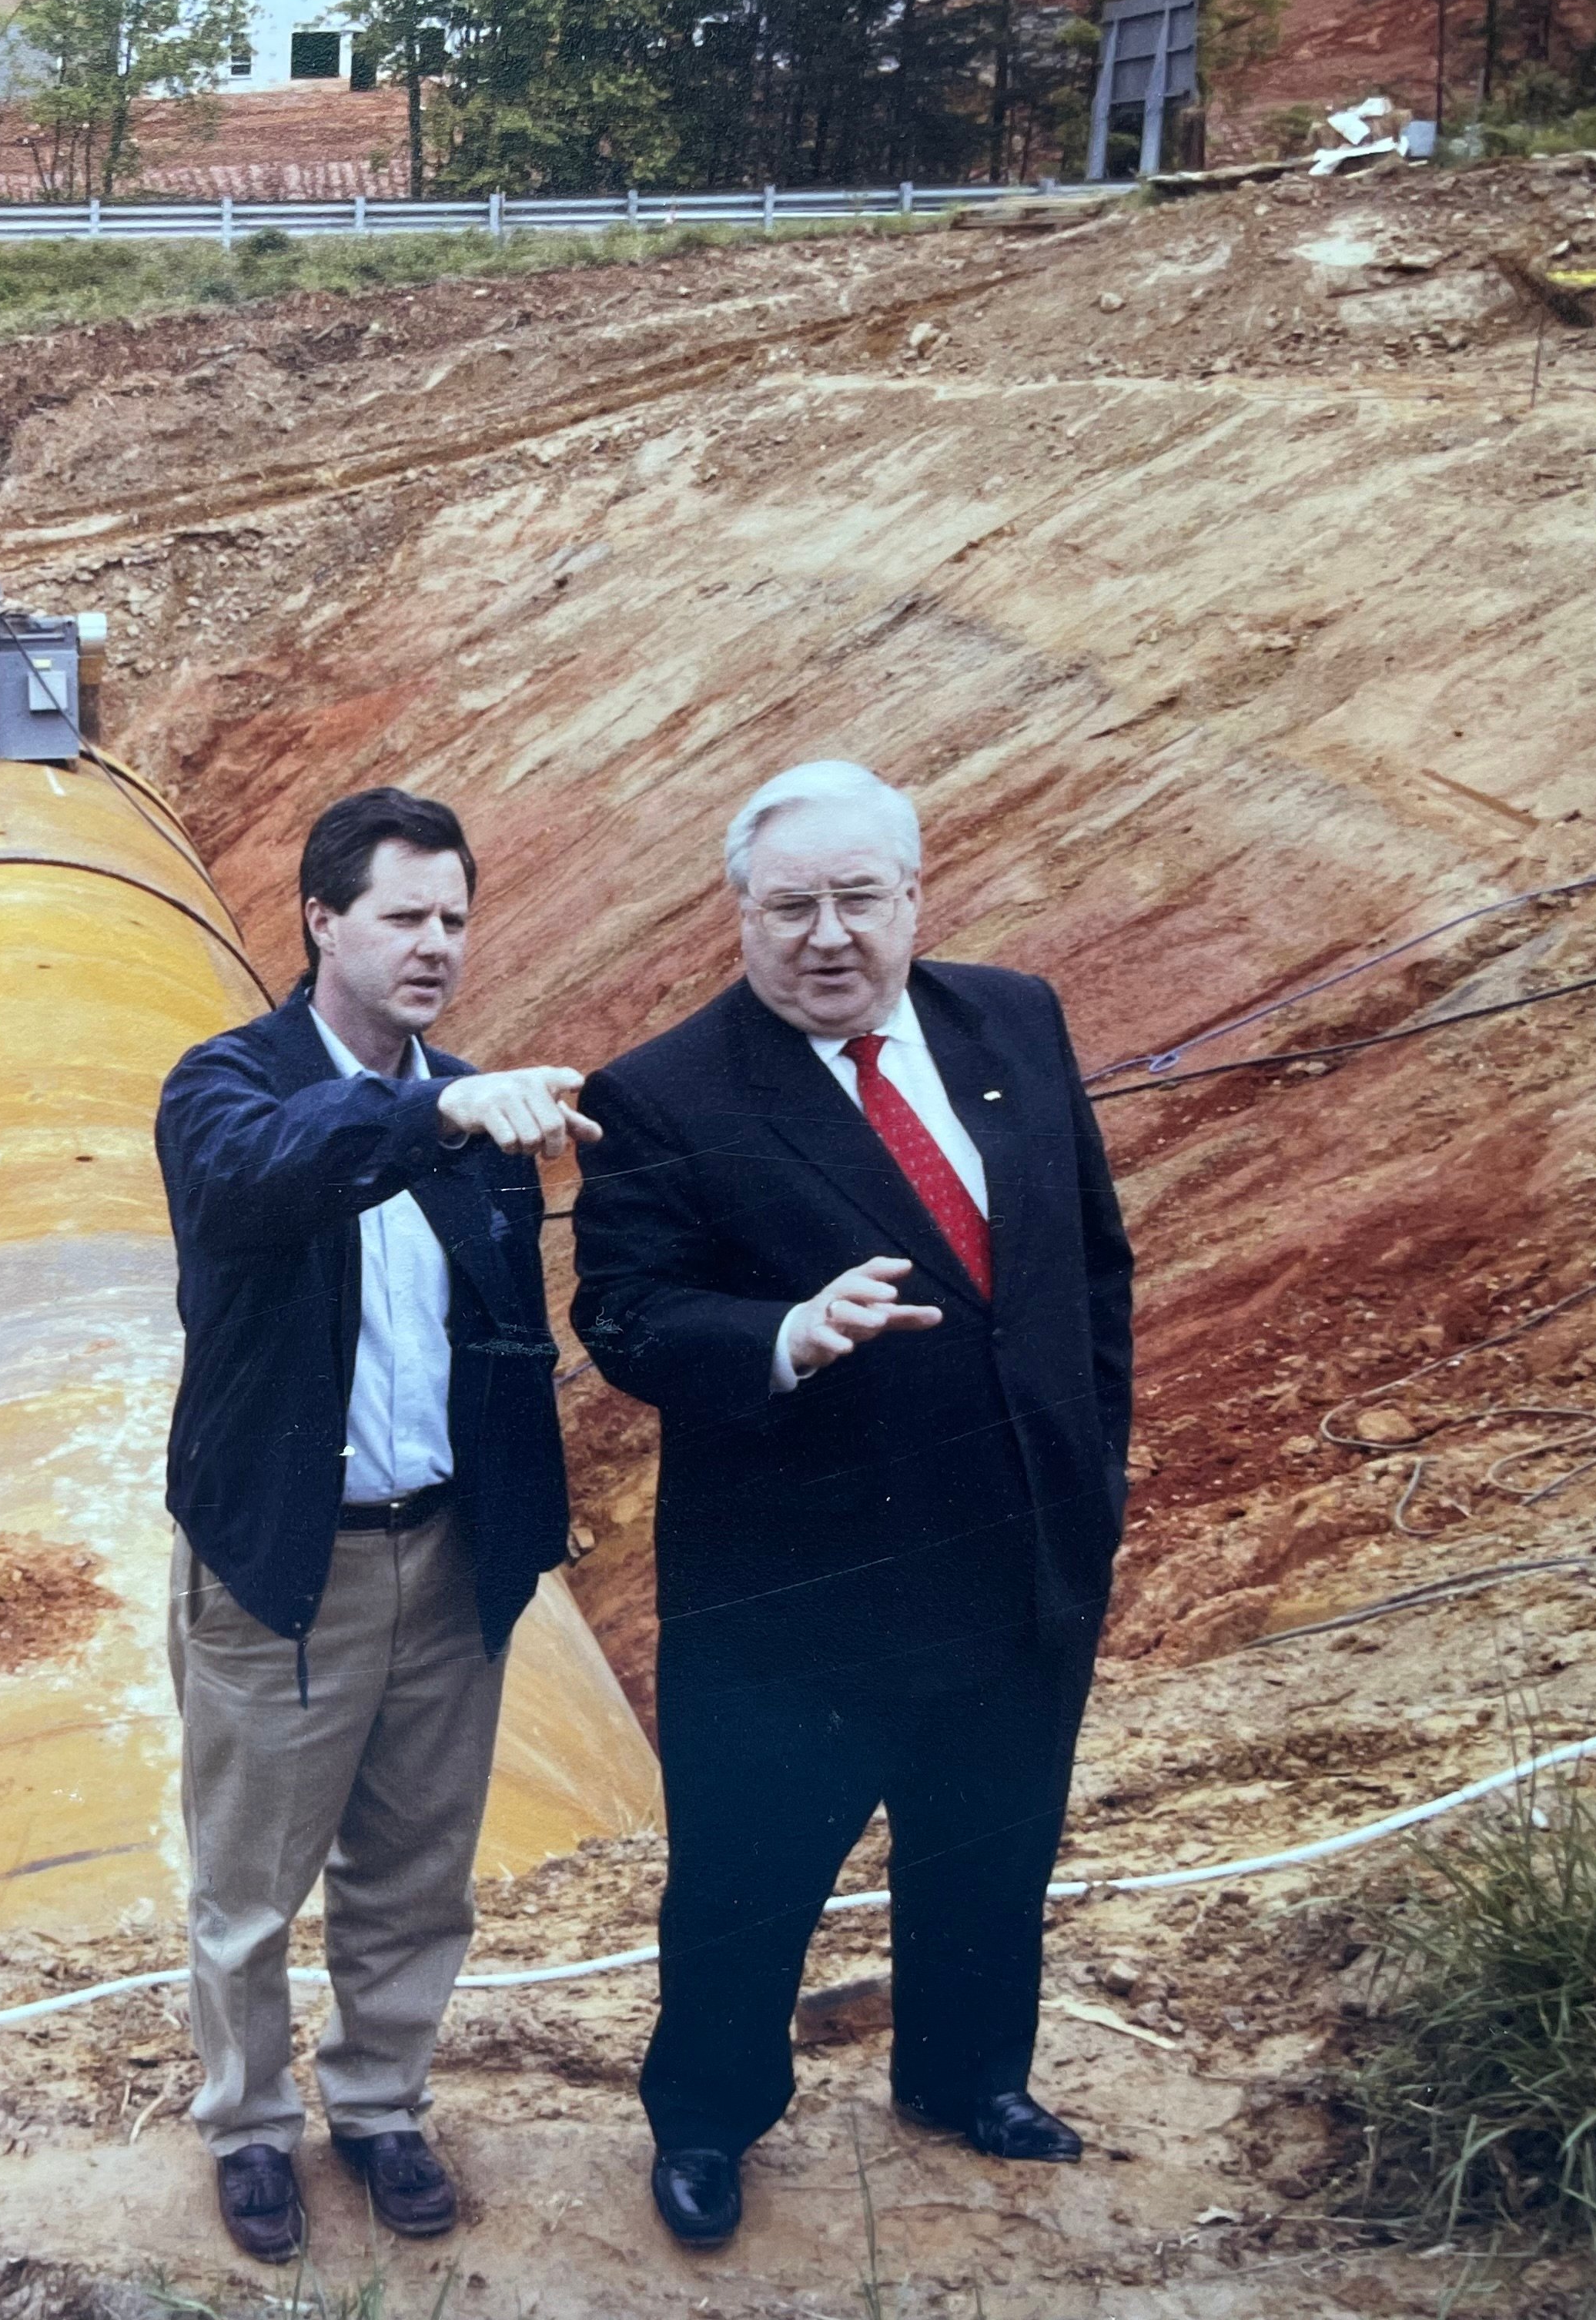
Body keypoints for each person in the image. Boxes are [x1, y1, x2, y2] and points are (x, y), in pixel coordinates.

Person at [569, 759, 1133, 2251]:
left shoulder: (1013, 1020)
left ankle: (965, 2080)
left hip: (1014, 1563)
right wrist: (776, 1337)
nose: (829, 935)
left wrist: (1092, 1479)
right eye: (792, 906)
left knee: (993, 1844)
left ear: (912, 900)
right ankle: (706, 2122)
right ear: (741, 914)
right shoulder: (662, 1096)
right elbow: (621, 1316)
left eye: (858, 900)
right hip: (797, 1606)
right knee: (748, 1890)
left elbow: (1092, 1272)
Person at [155, 787, 602, 2263]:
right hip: (289, 1565)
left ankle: (382, 2104)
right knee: (249, 1887)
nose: (435, 947)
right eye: (404, 916)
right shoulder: (225, 1085)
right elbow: (266, 1180)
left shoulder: (472, 1106)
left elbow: (504, 1339)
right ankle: (249, 2126)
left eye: (456, 920)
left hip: (444, 1554)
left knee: (416, 1874)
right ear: (321, 922)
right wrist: (431, 1112)